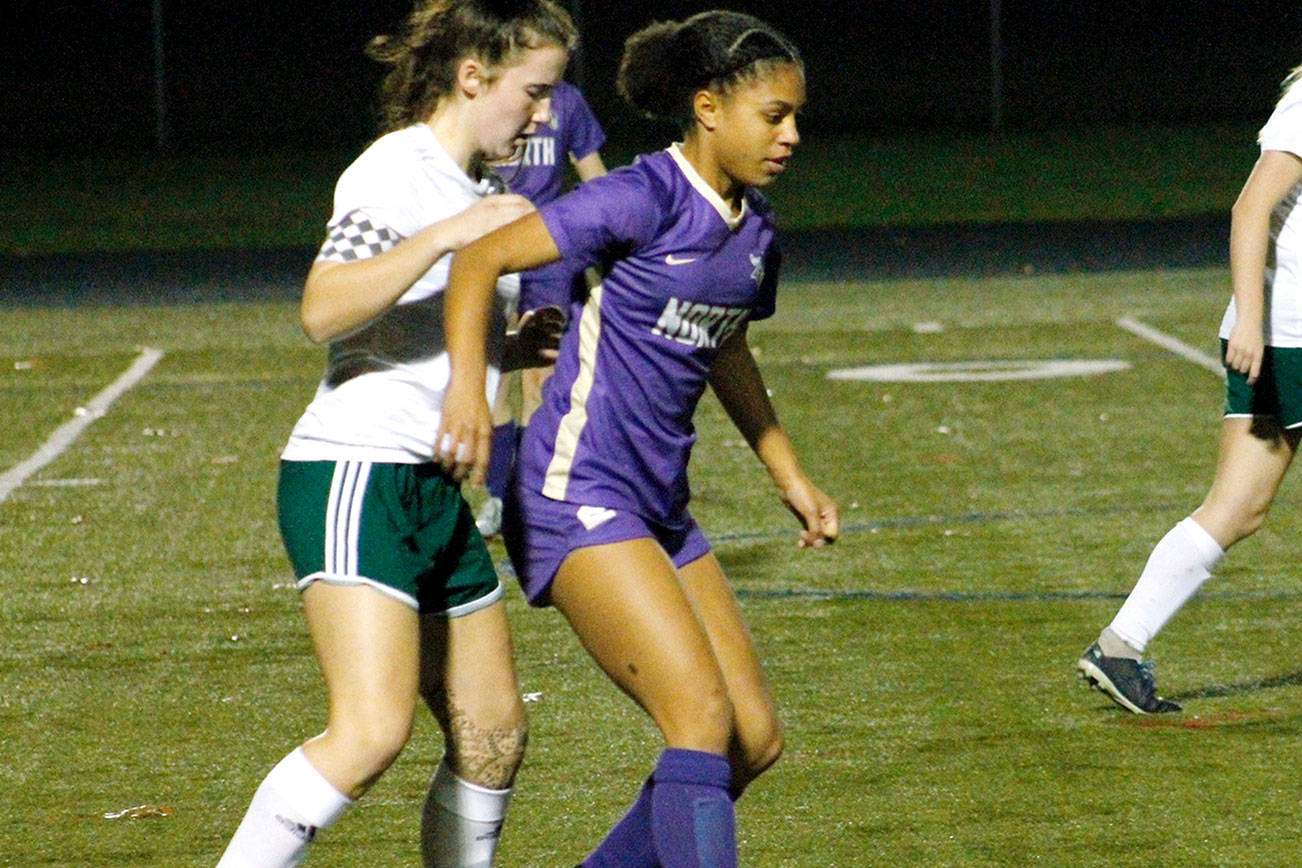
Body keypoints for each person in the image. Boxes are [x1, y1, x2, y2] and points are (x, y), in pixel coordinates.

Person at [438, 11, 839, 866]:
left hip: (658, 508)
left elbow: (725, 343)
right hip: (574, 494)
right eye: (775, 116)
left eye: (797, 117)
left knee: (752, 740)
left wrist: (787, 471)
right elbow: (479, 262)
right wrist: (469, 393)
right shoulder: (638, 197)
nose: (792, 135)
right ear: (708, 109)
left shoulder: (757, 232)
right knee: (697, 719)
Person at [214, 2, 575, 865]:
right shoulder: (397, 169)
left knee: (493, 732)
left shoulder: (480, 192)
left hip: (429, 490)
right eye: (533, 92)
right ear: (472, 76)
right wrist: (448, 238)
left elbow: (427, 328)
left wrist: (506, 344)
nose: (543, 115)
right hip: (355, 475)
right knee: (371, 732)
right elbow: (324, 307)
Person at [1077, 63, 1302, 714]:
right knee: (1235, 507)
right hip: (1288, 341)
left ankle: (1120, 646)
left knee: (1239, 510)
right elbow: (1250, 208)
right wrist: (1252, 322)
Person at [477, 78, 609, 538]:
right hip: (488, 244)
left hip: (550, 249)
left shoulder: (569, 100)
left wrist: (618, 220)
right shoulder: (494, 94)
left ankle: (531, 495)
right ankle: (499, 495)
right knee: (494, 374)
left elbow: (592, 171)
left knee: (540, 376)